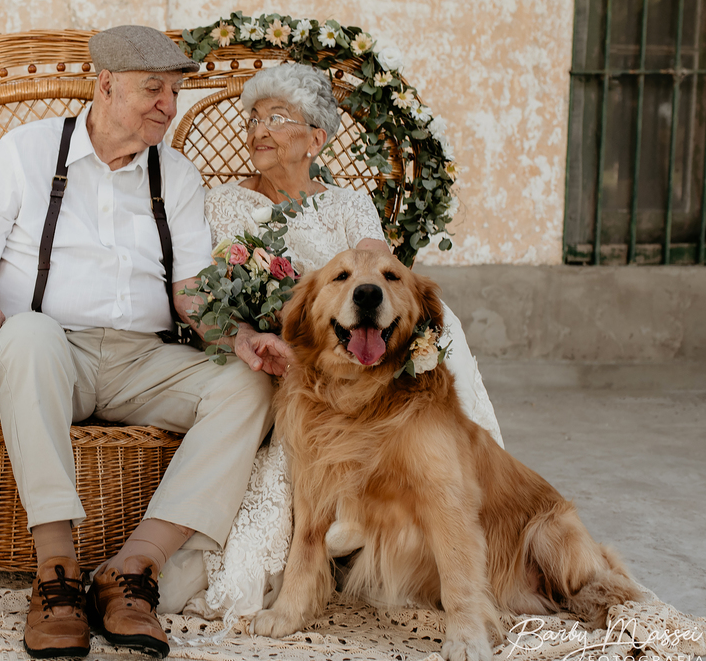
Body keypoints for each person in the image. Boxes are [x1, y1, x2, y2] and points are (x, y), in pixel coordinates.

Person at [0, 25, 289, 659]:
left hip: (142, 359)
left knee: (248, 382)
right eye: (153, 89)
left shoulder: (175, 174)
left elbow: (190, 294)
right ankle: (58, 573)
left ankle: (131, 571)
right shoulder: (27, 151)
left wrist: (239, 338)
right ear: (105, 86)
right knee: (30, 334)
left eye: (174, 91)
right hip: (43, 355)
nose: (168, 105)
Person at [190, 62, 505, 619]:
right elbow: (212, 291)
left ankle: (455, 489)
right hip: (281, 353)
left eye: (278, 118)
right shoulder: (224, 203)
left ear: (316, 138)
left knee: (441, 321)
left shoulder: (348, 204)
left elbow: (380, 273)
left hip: (358, 352)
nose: (259, 130)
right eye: (254, 118)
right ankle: (318, 552)